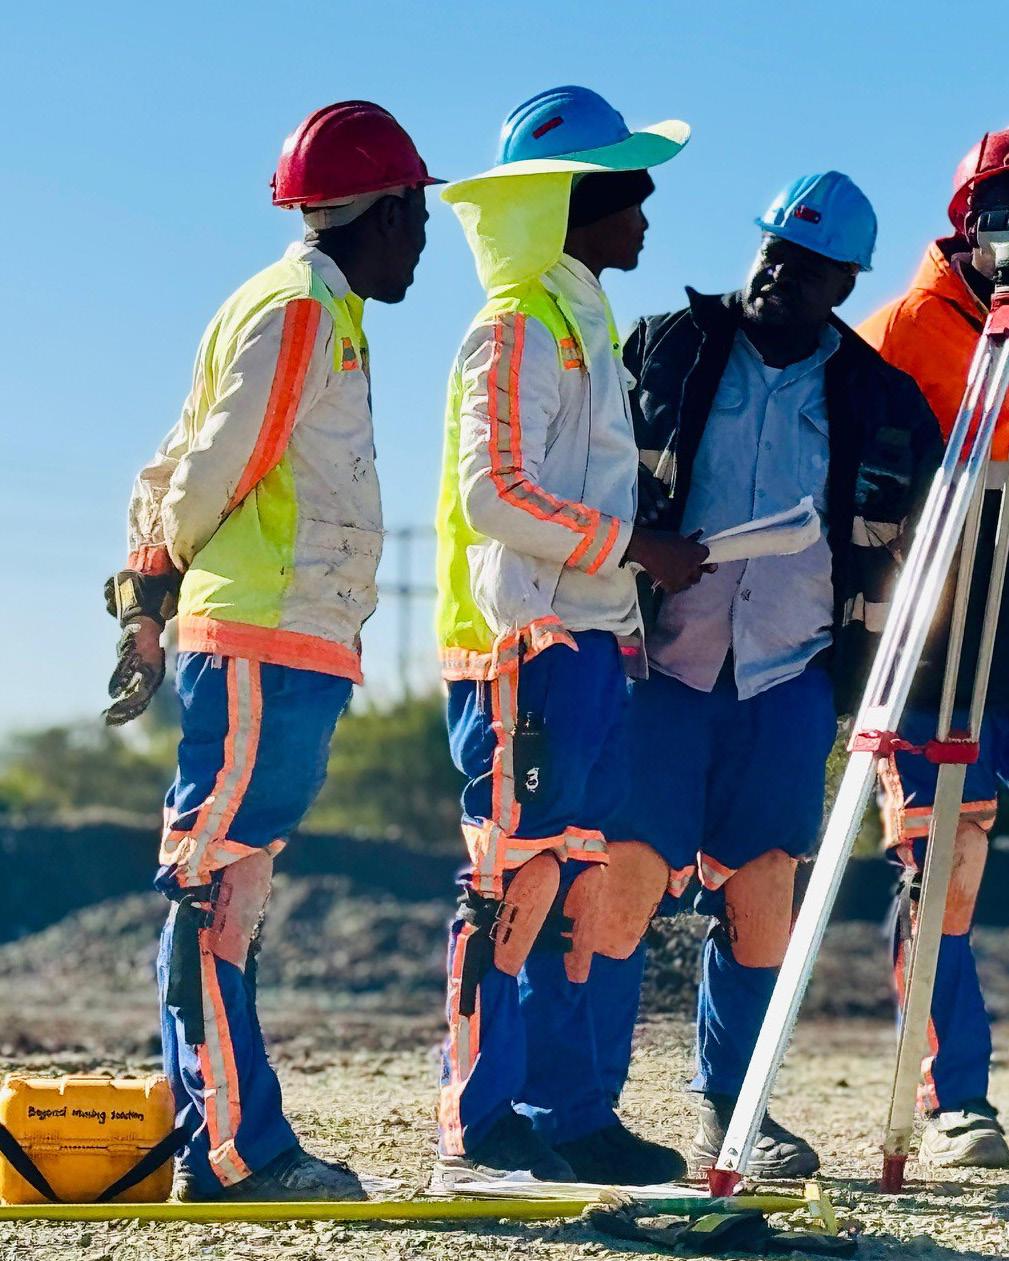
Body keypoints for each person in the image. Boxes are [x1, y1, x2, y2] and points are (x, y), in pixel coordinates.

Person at [105, 101, 439, 1201]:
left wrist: (146, 578)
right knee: (216, 886)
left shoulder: (307, 308)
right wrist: (157, 571)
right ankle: (234, 1151)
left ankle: (221, 1138)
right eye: (416, 215)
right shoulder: (300, 307)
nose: (423, 240)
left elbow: (176, 454)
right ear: (382, 212)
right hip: (263, 626)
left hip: (292, 632)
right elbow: (214, 463)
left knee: (227, 885)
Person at [607, 172, 942, 1178]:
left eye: (803, 267)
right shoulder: (667, 347)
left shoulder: (882, 400)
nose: (775, 276)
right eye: (770, 252)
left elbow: (914, 547)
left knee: (761, 890)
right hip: (662, 664)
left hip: (788, 675)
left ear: (843, 284)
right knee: (622, 878)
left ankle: (733, 1107)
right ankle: (579, 1110)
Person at [434, 85, 710, 1186]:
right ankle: (477, 1119)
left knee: (577, 882)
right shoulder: (513, 327)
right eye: (630, 193)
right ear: (574, 206)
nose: (645, 215)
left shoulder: (579, 319)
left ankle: (568, 1113)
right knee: (512, 877)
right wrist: (635, 546)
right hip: (526, 645)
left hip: (591, 643)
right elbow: (492, 493)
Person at [859, 128, 1009, 1169]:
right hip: (937, 632)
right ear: (968, 222)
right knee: (939, 863)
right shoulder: (903, 332)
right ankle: (953, 1097)